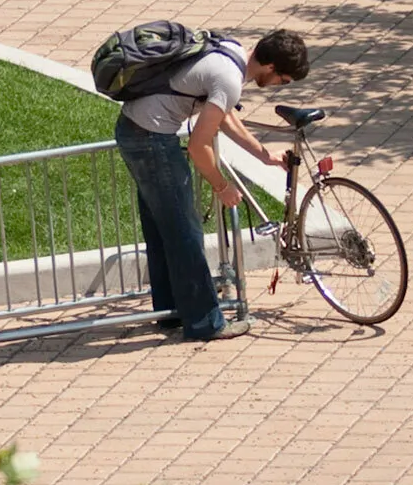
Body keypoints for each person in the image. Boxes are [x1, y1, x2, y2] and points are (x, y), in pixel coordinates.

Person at [114, 27, 309, 343]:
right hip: (150, 140)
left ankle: (172, 312)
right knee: (185, 232)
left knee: (163, 227)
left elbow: (224, 116)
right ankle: (205, 323)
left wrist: (263, 155)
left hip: (137, 131)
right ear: (272, 68)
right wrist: (221, 186)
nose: (279, 87)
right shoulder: (229, 80)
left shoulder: (231, 52)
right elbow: (198, 145)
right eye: (283, 82)